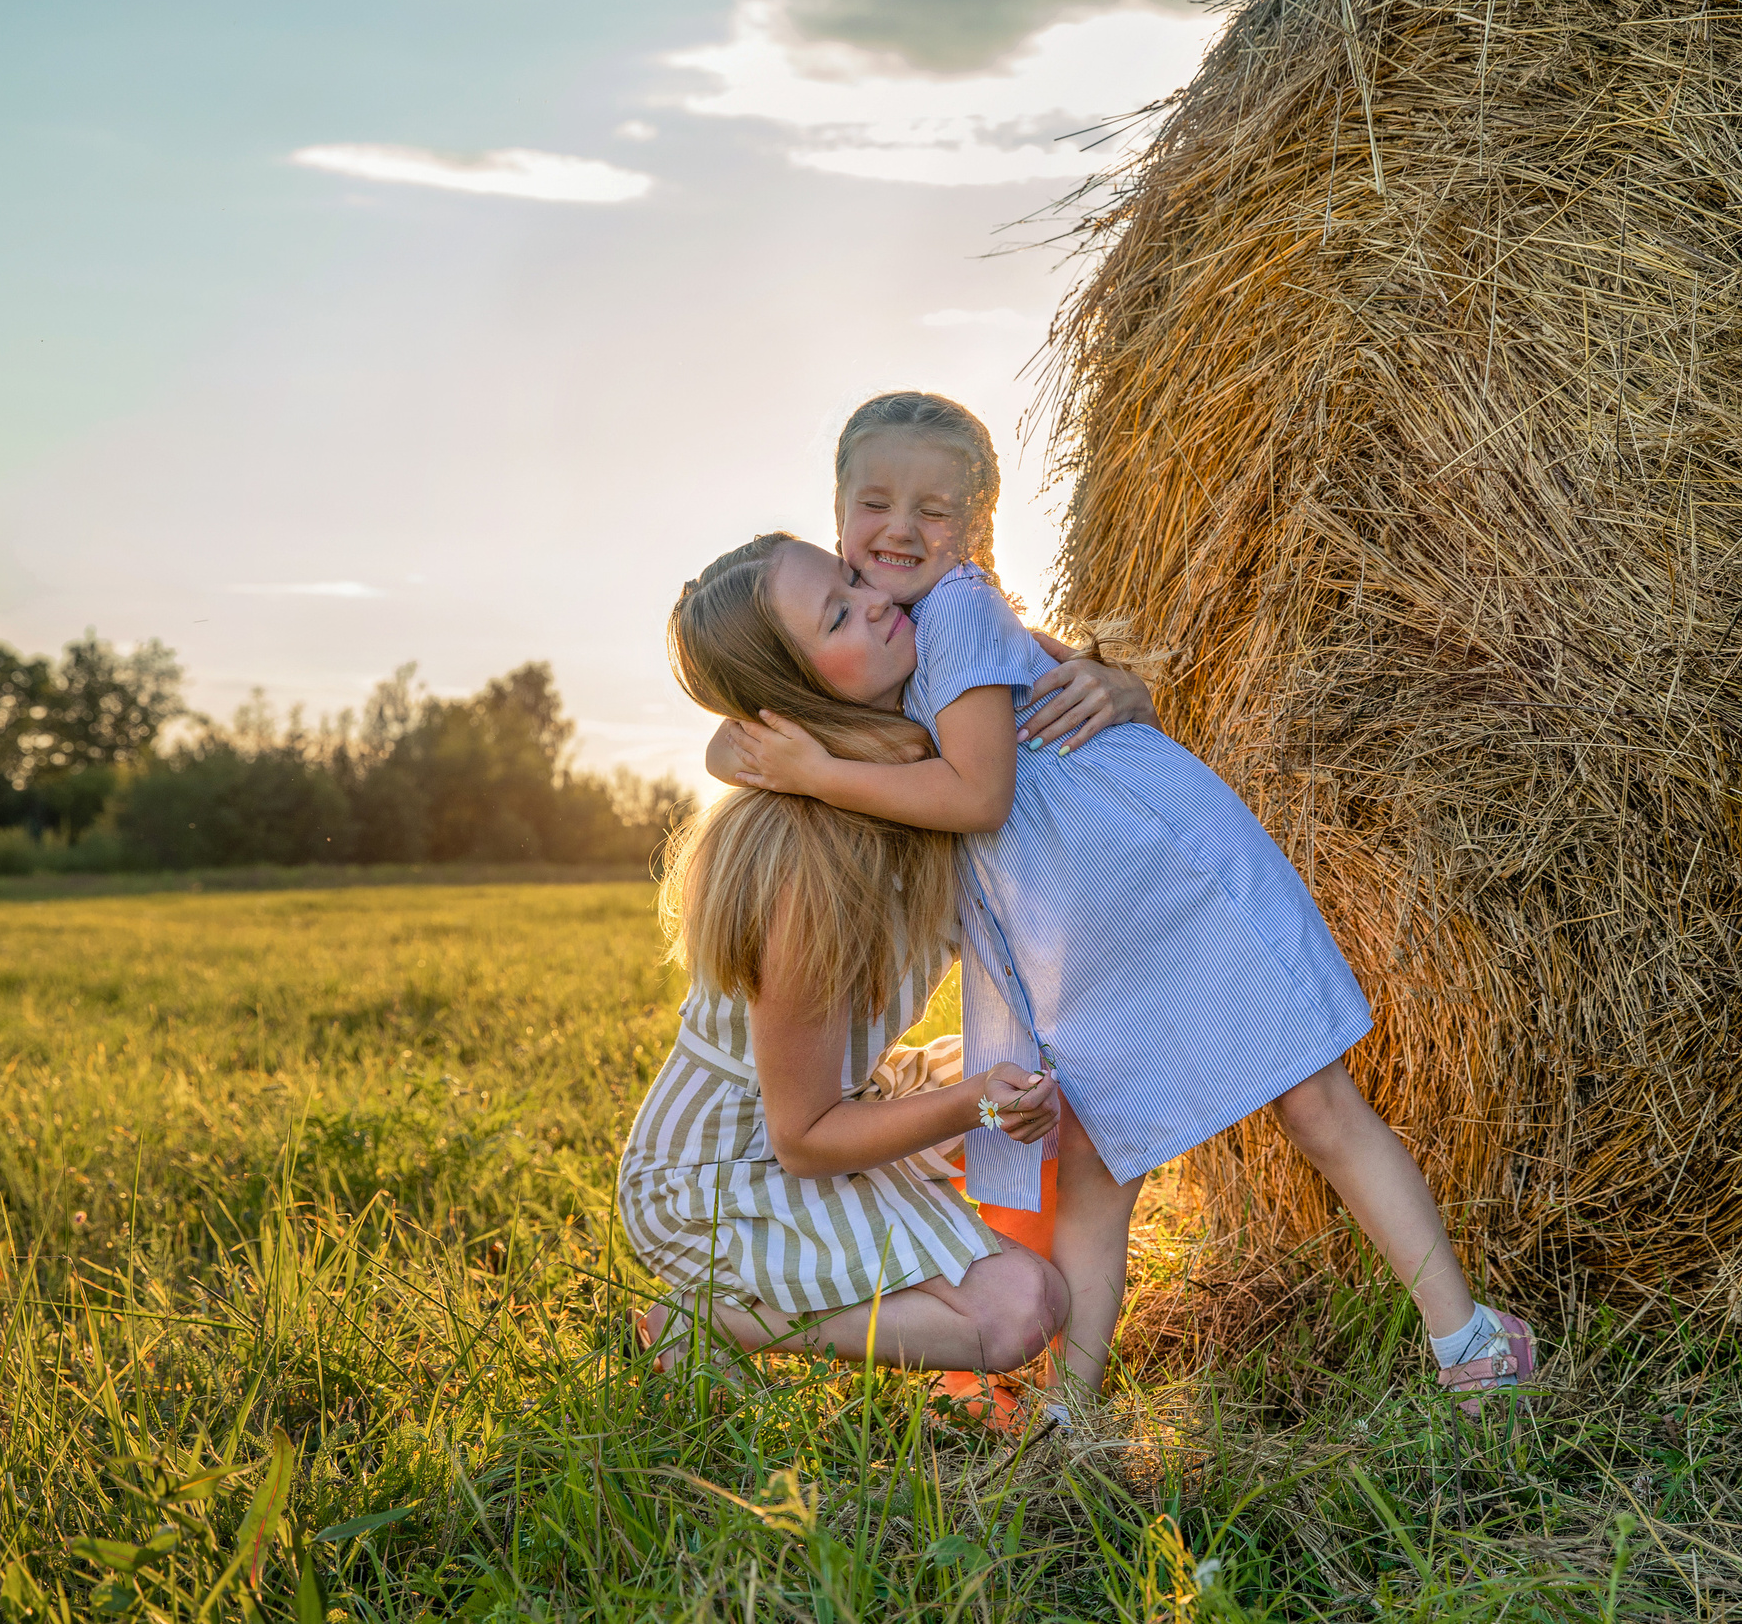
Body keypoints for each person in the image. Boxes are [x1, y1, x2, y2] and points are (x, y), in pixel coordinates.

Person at [716, 392, 1539, 1408]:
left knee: (1315, 1102)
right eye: (875, 502)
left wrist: (816, 774)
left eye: (937, 509)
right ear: (837, 513)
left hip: (1163, 886)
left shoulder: (959, 611)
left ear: (977, 528)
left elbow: (978, 794)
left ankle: (1466, 1339)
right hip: (1084, 927)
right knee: (1106, 1159)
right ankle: (1067, 1411)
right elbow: (732, 727)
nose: (901, 528)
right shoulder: (901, 625)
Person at [616, 534, 1068, 1381]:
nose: (873, 600)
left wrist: (1113, 683)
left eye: (851, 579)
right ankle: (713, 1319)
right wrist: (974, 1101)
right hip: (725, 1175)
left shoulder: (915, 736)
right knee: (1019, 1310)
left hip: (841, 1105)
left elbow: (1032, 658)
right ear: (793, 699)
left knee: (1067, 1083)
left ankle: (981, 1324)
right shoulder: (805, 863)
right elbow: (803, 1135)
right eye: (837, 613)